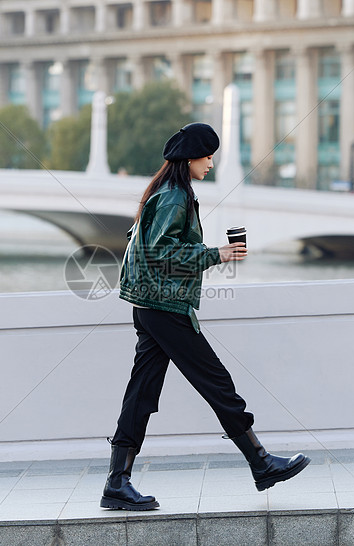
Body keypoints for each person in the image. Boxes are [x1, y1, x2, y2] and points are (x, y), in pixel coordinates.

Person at [100, 122, 310, 511]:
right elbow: (160, 254)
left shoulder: (164, 192)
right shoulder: (175, 196)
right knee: (217, 383)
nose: (211, 162)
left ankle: (117, 481)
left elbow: (145, 246)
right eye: (208, 155)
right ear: (190, 157)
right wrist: (218, 254)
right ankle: (261, 463)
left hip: (148, 308)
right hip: (164, 309)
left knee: (142, 393)